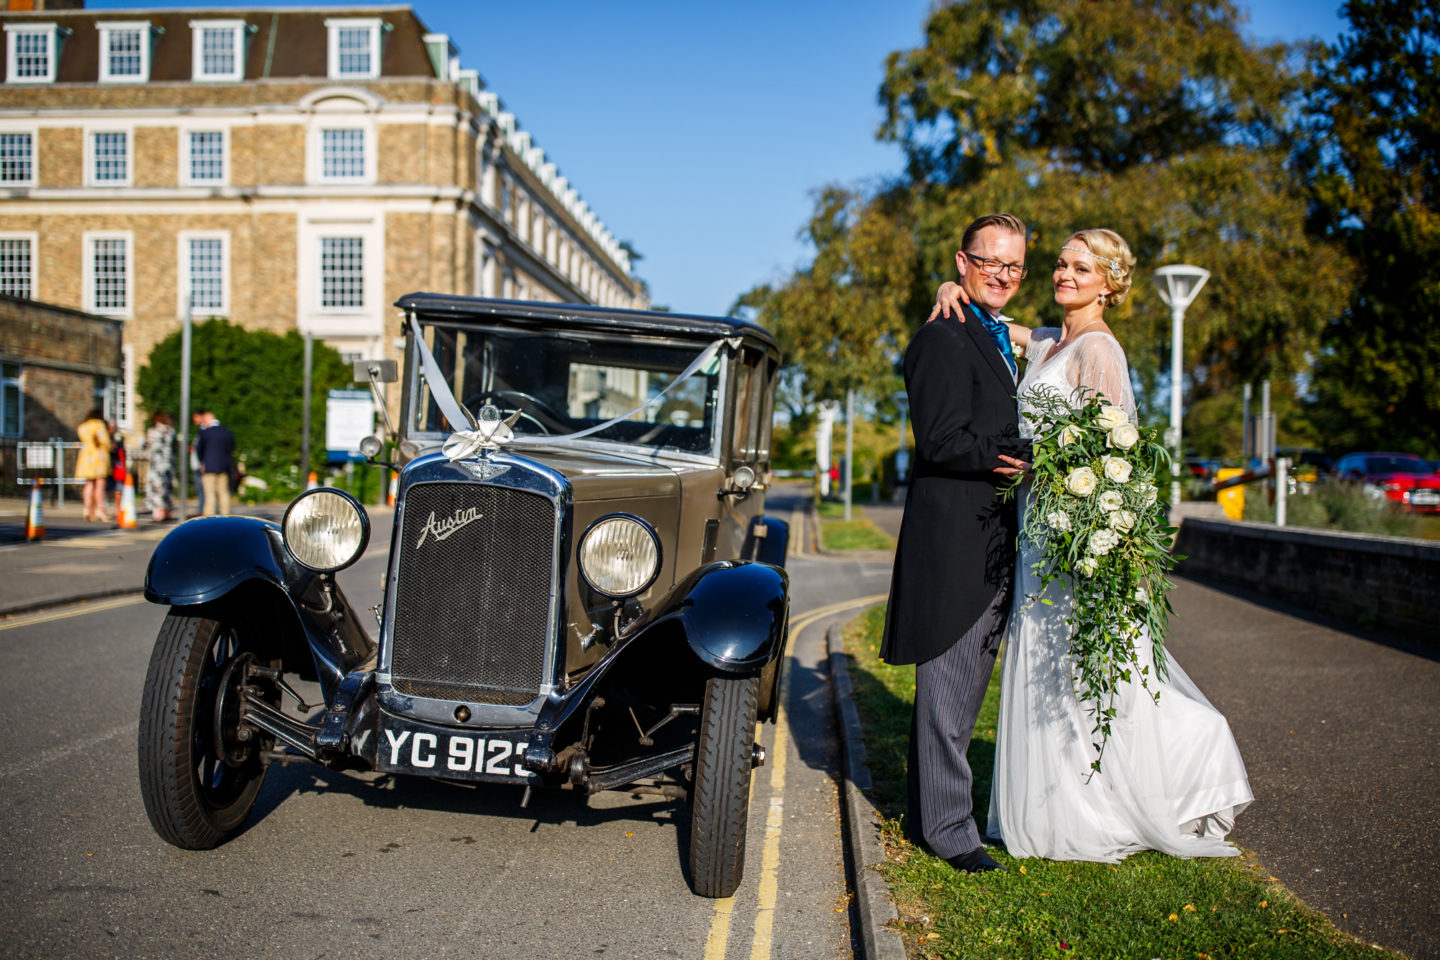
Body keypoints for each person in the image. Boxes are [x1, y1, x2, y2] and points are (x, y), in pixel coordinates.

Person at [932, 228, 1252, 861]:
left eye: (1081, 268)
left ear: (1109, 283)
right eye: (1060, 263)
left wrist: (1095, 531)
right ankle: (1050, 801)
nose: (1065, 274)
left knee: (1083, 665)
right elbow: (1000, 322)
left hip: (1070, 530)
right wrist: (952, 287)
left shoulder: (1100, 350)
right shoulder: (1054, 340)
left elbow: (1115, 452)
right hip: (1035, 527)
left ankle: (1103, 804)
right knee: (1050, 664)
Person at [880, 213, 1034, 875]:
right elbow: (940, 440)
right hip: (954, 543)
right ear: (963, 260)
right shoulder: (943, 338)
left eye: (1014, 266)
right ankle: (948, 833)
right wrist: (1023, 454)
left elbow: (1073, 336)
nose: (1002, 274)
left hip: (991, 536)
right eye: (988, 261)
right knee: (948, 691)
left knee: (966, 689)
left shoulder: (992, 332)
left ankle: (933, 816)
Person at [194, 408, 235, 516]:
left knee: (210, 493)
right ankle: (225, 514)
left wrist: (202, 462)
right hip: (224, 465)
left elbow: (199, 449)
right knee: (223, 492)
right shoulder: (227, 432)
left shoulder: (205, 433)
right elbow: (231, 448)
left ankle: (209, 515)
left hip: (209, 466)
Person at [75, 408, 111, 523]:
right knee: (100, 484)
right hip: (98, 457)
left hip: (86, 457)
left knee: (89, 483)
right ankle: (100, 509)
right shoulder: (99, 424)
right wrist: (110, 446)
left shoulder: (83, 426)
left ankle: (87, 509)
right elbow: (104, 441)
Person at [144, 411, 176, 521]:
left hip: (156, 465)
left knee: (157, 488)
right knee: (167, 487)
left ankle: (159, 512)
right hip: (168, 464)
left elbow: (147, 445)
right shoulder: (171, 431)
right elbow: (174, 447)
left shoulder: (153, 431)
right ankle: (168, 511)